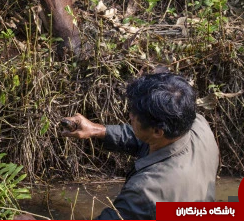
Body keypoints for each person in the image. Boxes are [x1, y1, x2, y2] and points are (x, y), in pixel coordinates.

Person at [61, 72, 220, 220]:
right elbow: (145, 137)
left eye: (135, 116)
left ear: (158, 131)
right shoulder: (197, 124)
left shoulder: (147, 190)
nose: (130, 115)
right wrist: (97, 130)